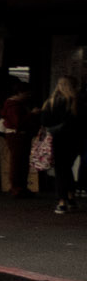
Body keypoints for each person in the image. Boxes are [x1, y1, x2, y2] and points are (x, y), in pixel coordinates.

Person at [42, 77, 82, 214]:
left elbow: (44, 121)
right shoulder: (77, 102)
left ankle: (62, 201)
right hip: (75, 140)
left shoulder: (51, 102)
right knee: (67, 168)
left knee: (61, 170)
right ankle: (70, 197)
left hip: (58, 139)